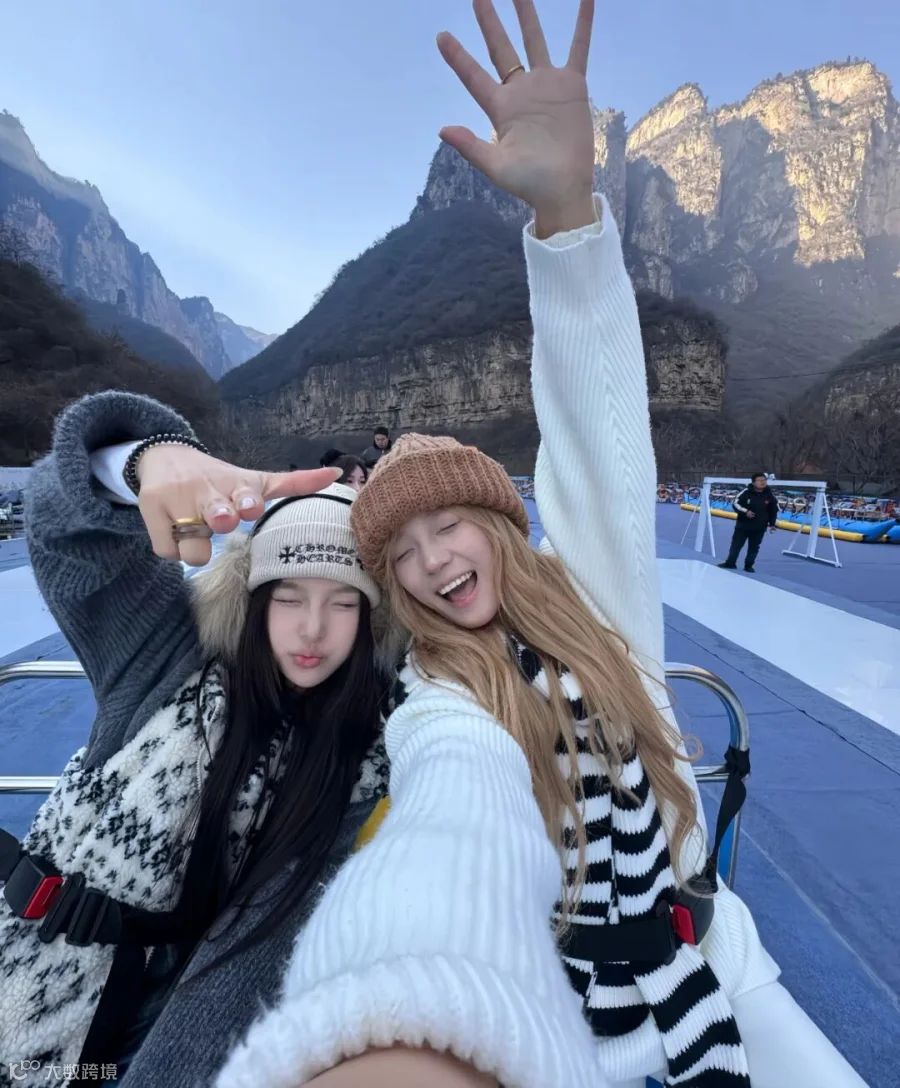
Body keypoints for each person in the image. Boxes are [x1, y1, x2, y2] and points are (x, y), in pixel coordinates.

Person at [215, 2, 866, 1086]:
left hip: (710, 958)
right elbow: (449, 825)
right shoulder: (440, 691)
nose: (432, 560)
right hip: (560, 1006)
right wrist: (397, 1014)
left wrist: (567, 221)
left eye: (449, 525)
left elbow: (602, 436)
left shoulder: (594, 599)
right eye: (403, 551)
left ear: (499, 524)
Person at [0, 391, 393, 1087]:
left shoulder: (368, 755)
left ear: (371, 623)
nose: (312, 629)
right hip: (21, 993)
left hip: (152, 1052)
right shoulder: (164, 660)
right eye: (288, 598)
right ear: (251, 597)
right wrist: (142, 457)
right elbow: (64, 531)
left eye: (343, 604)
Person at [719, 473, 778, 573]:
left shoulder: (769, 495)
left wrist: (772, 524)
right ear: (753, 482)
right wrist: (745, 512)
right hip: (743, 526)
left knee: (754, 548)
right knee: (736, 545)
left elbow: (773, 510)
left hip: (759, 527)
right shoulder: (745, 492)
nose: (763, 482)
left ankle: (749, 566)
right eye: (760, 480)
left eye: (764, 480)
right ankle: (730, 563)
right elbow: (735, 504)